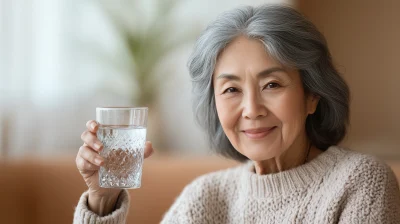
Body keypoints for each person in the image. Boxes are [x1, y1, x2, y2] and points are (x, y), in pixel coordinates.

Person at [74, 4, 400, 224]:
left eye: (272, 84)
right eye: (231, 90)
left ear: (312, 95)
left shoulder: (360, 181)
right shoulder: (206, 196)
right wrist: (102, 200)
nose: (252, 110)